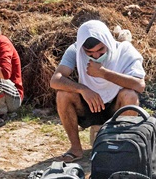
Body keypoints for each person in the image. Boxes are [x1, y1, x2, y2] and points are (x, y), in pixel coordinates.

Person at [49, 19, 147, 161]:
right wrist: (83, 90)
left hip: (115, 109)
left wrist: (103, 73)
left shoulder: (124, 50)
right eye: (90, 52)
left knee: (130, 95)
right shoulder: (76, 50)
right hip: (91, 106)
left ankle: (121, 147)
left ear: (107, 41)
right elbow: (55, 80)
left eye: (100, 50)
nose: (96, 56)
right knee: (63, 94)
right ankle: (75, 149)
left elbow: (139, 85)